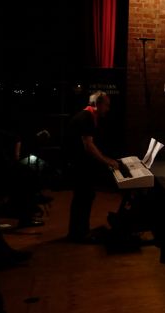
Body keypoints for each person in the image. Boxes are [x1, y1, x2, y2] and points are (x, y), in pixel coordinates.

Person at [64, 91, 120, 243]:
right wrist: (107, 161)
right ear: (97, 104)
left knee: (84, 197)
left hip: (79, 164)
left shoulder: (88, 116)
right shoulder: (86, 118)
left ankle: (79, 232)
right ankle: (79, 234)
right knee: (83, 197)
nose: (108, 109)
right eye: (106, 105)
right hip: (79, 165)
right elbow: (88, 145)